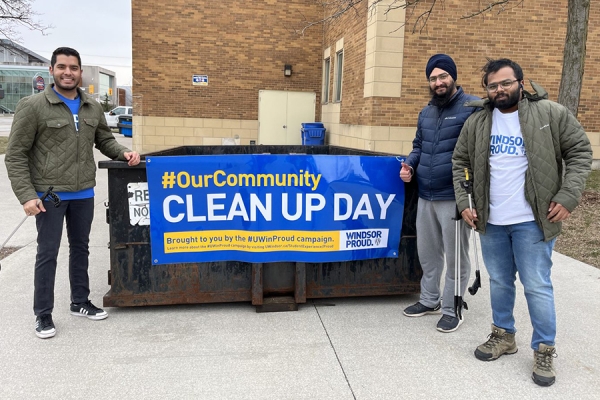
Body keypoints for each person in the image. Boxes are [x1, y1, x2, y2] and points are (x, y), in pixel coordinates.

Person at [452, 58, 592, 386]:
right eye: (493, 85)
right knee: (500, 282)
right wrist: (464, 204)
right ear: (486, 89)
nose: (500, 89)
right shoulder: (477, 121)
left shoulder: (550, 114)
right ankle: (503, 335)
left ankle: (544, 348)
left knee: (537, 285)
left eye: (506, 83)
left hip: (533, 220)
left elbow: (580, 152)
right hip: (491, 221)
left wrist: (568, 196)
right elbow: (460, 162)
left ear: (520, 81)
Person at [5, 47, 141, 339]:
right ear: (52, 70)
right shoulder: (33, 106)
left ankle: (80, 301)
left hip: (83, 194)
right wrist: (27, 195)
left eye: (74, 68)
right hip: (50, 194)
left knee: (81, 248)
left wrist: (124, 152)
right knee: (48, 252)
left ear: (80, 72)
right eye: (62, 67)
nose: (68, 72)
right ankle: (43, 314)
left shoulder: (91, 106)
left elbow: (105, 140)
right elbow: (15, 155)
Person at [400, 54, 479, 333]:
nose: (438, 82)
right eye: (433, 78)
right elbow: (418, 146)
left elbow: (479, 154)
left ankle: (452, 307)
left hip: (455, 197)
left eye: (442, 76)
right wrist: (410, 164)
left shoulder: (472, 108)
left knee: (457, 256)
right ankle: (429, 300)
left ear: (453, 77)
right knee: (428, 253)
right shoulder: (426, 112)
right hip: (426, 194)